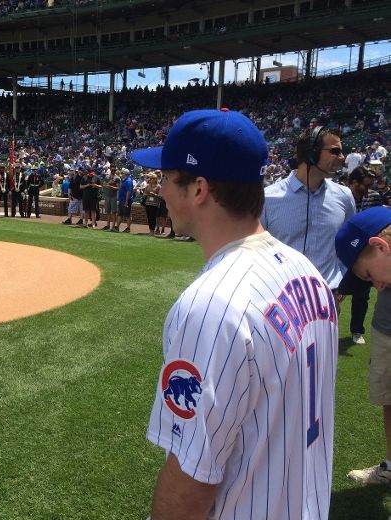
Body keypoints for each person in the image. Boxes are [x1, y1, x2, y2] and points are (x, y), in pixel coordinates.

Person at [132, 109, 338, 520]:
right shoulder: (307, 272)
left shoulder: (210, 306)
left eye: (167, 178)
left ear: (199, 189)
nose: (160, 190)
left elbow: (191, 480)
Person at [261, 126, 355, 297]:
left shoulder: (344, 197)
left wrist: (340, 281)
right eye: (335, 151)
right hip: (279, 300)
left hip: (328, 300)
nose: (342, 157)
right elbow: (254, 249)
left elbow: (350, 244)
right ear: (311, 153)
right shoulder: (268, 199)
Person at [335, 206, 391, 486]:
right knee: (389, 397)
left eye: (369, 276)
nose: (377, 286)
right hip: (386, 329)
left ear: (381, 247)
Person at [337, 166, 382, 344]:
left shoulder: (374, 197)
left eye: (370, 185)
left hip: (364, 253)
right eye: (364, 185)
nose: (368, 190)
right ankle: (329, 328)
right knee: (335, 292)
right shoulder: (340, 197)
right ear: (353, 182)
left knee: (362, 295)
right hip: (342, 251)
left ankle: (357, 330)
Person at [112, 168, 133, 232]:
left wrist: (126, 201)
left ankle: (128, 228)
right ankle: (116, 227)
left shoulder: (128, 181)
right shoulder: (124, 180)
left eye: (122, 173)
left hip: (126, 201)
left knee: (127, 215)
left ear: (125, 174)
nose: (121, 174)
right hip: (122, 200)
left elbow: (128, 192)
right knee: (120, 214)